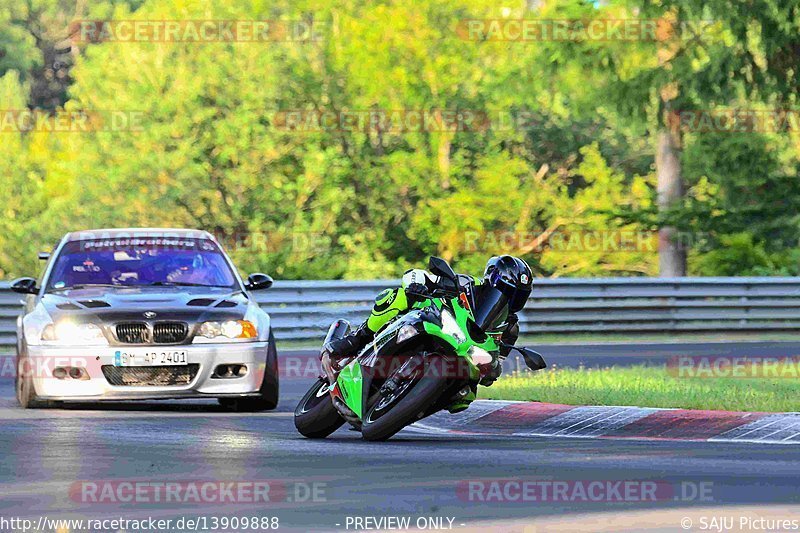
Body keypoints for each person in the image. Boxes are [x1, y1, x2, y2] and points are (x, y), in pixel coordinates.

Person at [321, 255, 533, 386]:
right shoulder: (468, 284)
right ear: (492, 278)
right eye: (507, 290)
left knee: (464, 398)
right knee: (397, 297)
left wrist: (491, 370)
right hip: (431, 322)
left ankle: (420, 400)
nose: (510, 298)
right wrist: (416, 285)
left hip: (463, 355)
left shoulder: (510, 328)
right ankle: (358, 339)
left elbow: (498, 364)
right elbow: (416, 275)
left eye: (517, 295)